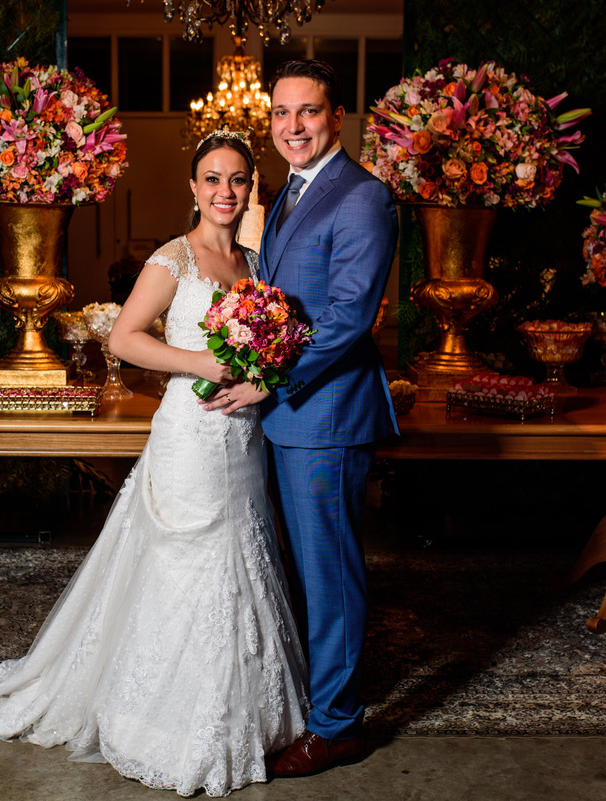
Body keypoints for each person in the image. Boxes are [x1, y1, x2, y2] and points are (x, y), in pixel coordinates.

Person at [0, 132, 309, 798]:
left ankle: (247, 707)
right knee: (189, 560)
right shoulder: (173, 258)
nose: (225, 191)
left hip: (245, 438)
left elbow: (270, 347)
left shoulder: (255, 262)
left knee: (245, 552)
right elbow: (126, 337)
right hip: (191, 435)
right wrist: (197, 361)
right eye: (213, 178)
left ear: (252, 188)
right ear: (193, 188)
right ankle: (167, 719)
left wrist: (260, 374)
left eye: (237, 179)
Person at [202, 59, 399, 777]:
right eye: (281, 113)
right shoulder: (287, 190)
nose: (292, 126)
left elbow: (349, 316)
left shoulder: (363, 195)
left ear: (336, 116)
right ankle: (313, 699)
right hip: (289, 416)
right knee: (296, 570)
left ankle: (338, 726)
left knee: (328, 573)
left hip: (327, 414)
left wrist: (266, 377)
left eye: (307, 111)